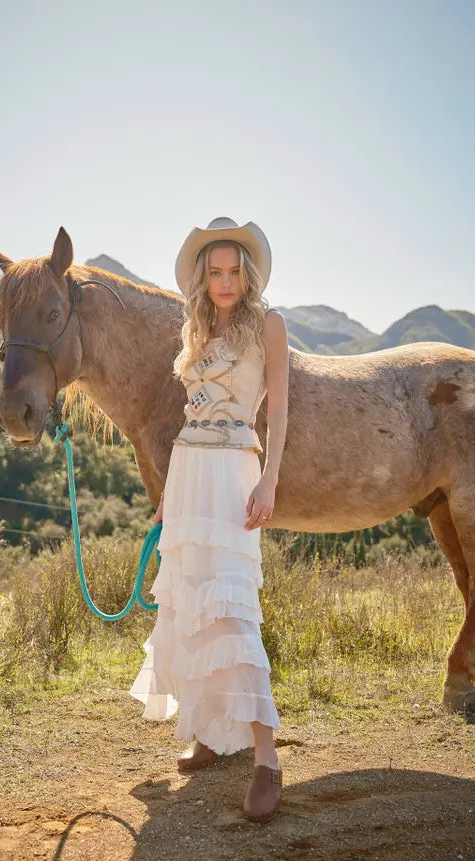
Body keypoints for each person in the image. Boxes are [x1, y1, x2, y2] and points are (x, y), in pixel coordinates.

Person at [129, 217, 289, 822]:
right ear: (204, 276)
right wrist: (171, 490)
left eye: (233, 272)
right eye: (215, 272)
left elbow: (279, 410)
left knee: (232, 604)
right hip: (190, 469)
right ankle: (208, 731)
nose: (225, 282)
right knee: (190, 599)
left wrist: (269, 479)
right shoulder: (196, 328)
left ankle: (267, 757)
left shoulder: (269, 325)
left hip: (233, 473)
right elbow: (187, 418)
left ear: (247, 275)